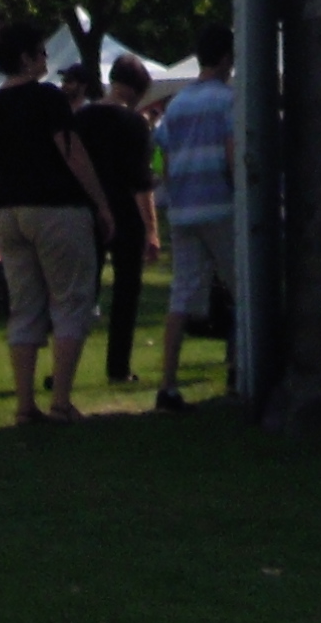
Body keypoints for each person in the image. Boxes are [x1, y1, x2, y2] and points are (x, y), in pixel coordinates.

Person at [0, 16, 115, 427]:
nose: (46, 60)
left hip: (8, 212)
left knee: (25, 307)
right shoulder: (47, 99)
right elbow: (73, 153)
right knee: (71, 302)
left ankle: (24, 404)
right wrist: (101, 204)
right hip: (56, 209)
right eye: (41, 53)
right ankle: (62, 401)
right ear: (27, 58)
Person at [153, 25, 238, 410]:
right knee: (243, 288)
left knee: (181, 295)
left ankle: (167, 384)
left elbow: (164, 160)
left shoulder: (175, 105)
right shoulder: (229, 101)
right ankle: (243, 370)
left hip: (183, 208)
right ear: (226, 59)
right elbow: (233, 154)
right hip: (220, 205)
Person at [78, 57, 159, 390]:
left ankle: (66, 362)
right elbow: (141, 182)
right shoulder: (134, 124)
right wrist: (151, 229)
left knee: (82, 291)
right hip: (124, 210)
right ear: (135, 89)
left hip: (87, 210)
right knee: (126, 290)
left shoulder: (80, 119)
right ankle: (118, 365)